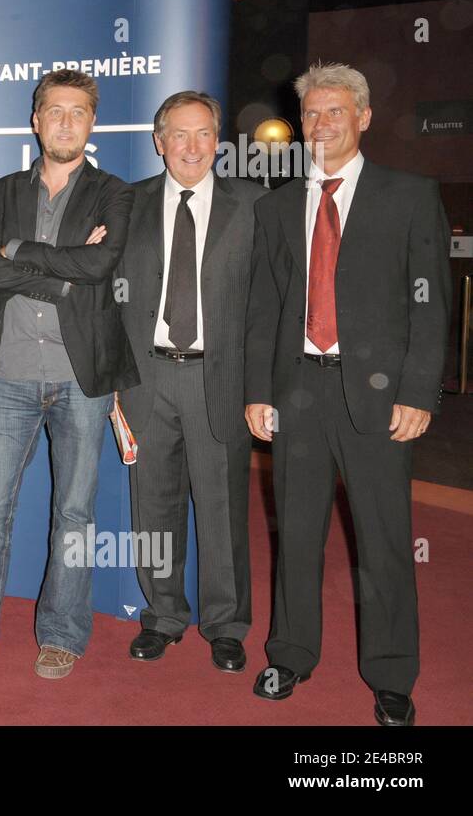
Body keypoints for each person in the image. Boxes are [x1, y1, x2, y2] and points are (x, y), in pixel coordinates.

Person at [245, 62, 450, 726]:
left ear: (363, 117)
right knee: (295, 536)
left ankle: (392, 675)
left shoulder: (410, 195)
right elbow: (265, 305)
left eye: (336, 111)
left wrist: (418, 390)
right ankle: (291, 653)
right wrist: (257, 389)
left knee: (385, 541)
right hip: (297, 392)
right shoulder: (276, 205)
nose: (322, 123)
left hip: (379, 399)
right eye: (311, 113)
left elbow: (429, 305)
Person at [0, 69, 139, 678]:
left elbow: (101, 264)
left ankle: (62, 635)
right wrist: (62, 275)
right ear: (36, 119)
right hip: (10, 376)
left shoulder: (114, 192)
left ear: (92, 122)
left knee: (75, 514)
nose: (66, 122)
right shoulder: (0, 191)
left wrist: (20, 251)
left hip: (84, 378)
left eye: (78, 112)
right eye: (55, 111)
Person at [117, 91, 266, 673]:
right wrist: (113, 381)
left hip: (219, 379)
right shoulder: (126, 204)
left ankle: (226, 625)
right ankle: (162, 617)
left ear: (218, 141)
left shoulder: (253, 205)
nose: (192, 146)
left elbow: (266, 307)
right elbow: (106, 297)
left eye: (204, 133)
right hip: (146, 376)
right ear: (159, 142)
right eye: (179, 134)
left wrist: (261, 388)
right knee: (152, 506)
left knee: (223, 509)